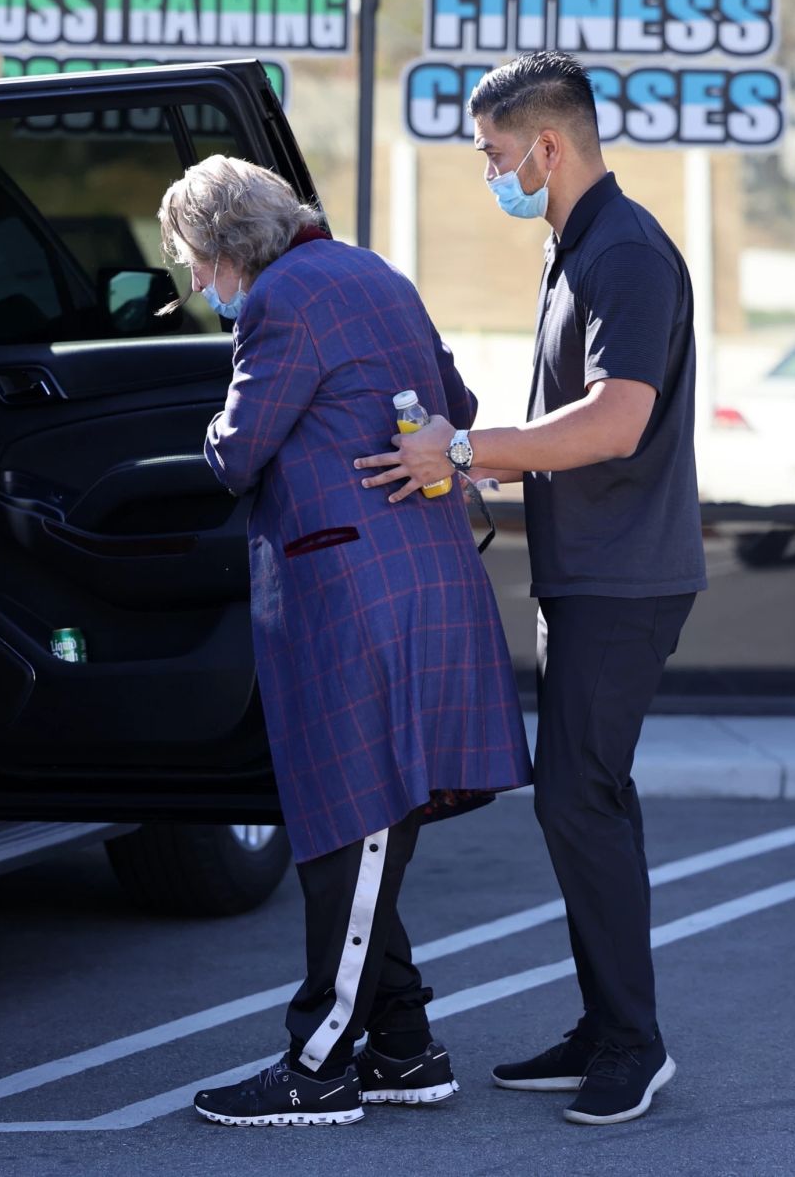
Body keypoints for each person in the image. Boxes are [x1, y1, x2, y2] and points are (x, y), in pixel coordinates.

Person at [355, 52, 707, 1126]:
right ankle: (608, 1026)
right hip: (588, 574)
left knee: (575, 797)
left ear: (547, 145)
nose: (491, 174)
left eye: (494, 154)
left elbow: (616, 420)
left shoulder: (628, 254)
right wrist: (470, 451)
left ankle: (633, 1044)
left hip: (625, 579)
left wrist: (460, 450)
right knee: (595, 798)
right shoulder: (580, 244)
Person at [157, 155, 532, 1128]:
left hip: (358, 598)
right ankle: (403, 1042)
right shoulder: (374, 272)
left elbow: (239, 450)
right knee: (353, 829)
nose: (198, 282)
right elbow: (460, 407)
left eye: (195, 261)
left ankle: (318, 1059)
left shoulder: (278, 299)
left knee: (356, 823)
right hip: (419, 580)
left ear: (226, 243)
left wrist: (204, 426)